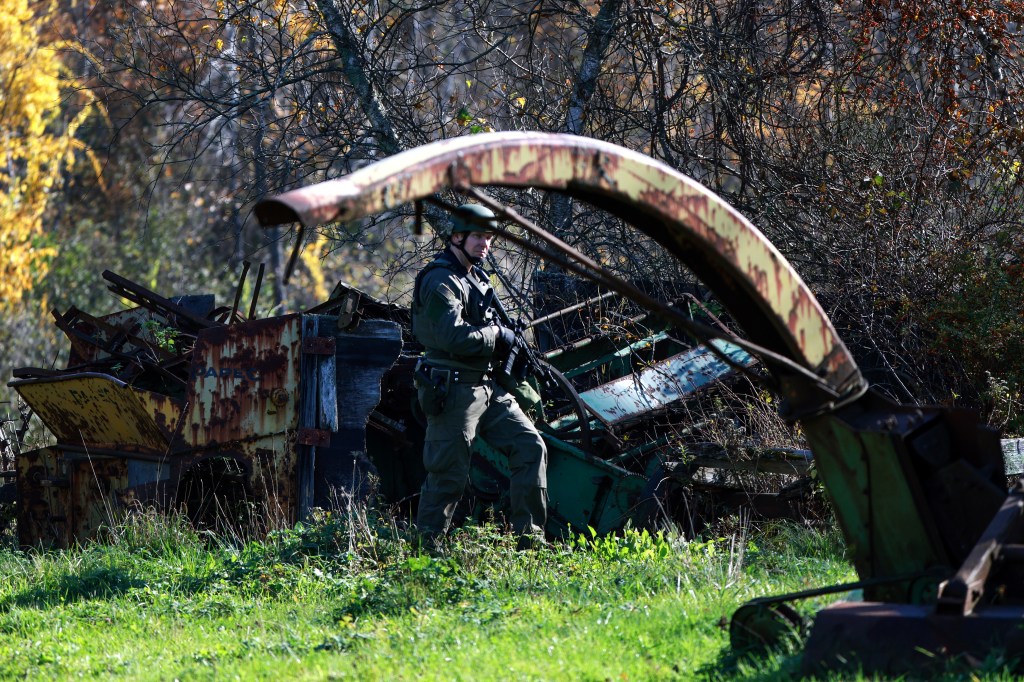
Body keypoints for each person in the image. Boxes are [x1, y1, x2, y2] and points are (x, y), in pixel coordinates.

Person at [411, 203, 548, 549]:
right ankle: (425, 558)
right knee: (448, 476)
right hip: (454, 388)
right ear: (456, 237)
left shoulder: (476, 277)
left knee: (531, 447)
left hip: (488, 387)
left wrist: (507, 336)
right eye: (477, 237)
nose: (484, 244)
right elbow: (452, 336)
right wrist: (498, 336)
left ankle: (530, 546)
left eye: (489, 238)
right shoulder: (441, 280)